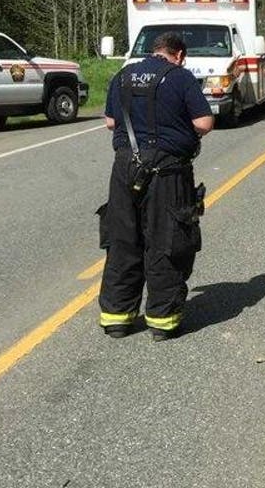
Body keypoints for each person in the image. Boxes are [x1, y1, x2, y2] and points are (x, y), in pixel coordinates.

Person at [98, 32, 214, 341]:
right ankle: (163, 320)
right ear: (179, 55)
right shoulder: (180, 77)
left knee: (123, 240)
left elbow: (110, 122)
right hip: (167, 171)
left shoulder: (122, 76)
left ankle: (117, 318)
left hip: (124, 168)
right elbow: (204, 123)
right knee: (166, 241)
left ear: (154, 52)